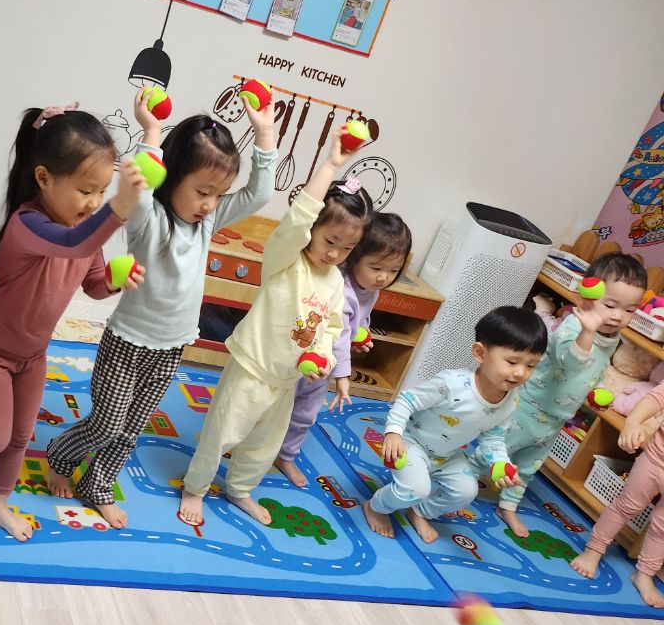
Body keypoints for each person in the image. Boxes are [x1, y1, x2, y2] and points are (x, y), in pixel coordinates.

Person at [45, 90, 276, 526]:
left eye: (219, 194)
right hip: (127, 344)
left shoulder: (208, 221)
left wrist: (264, 134)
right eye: (203, 191)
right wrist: (151, 131)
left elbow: (259, 193)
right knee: (107, 425)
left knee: (130, 429)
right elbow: (142, 183)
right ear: (172, 177)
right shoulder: (147, 217)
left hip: (171, 348)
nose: (210, 204)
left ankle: (97, 484)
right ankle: (61, 454)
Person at [0, 107, 146, 539]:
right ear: (44, 178)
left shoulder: (84, 226)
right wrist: (119, 207)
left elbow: (94, 285)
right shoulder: (28, 225)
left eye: (102, 192)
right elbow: (73, 244)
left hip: (32, 355)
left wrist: (117, 279)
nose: (94, 203)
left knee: (21, 436)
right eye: (85, 190)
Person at [178, 129, 370, 529]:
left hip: (286, 380)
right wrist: (332, 164)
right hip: (252, 367)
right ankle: (195, 487)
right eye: (330, 241)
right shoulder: (285, 258)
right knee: (221, 433)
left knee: (264, 445)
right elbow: (299, 217)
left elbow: (332, 327)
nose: (335, 253)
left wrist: (324, 359)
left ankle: (239, 489)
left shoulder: (336, 281)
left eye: (347, 249)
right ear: (313, 230)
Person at [483, 253, 646, 538]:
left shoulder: (611, 337)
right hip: (530, 407)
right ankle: (458, 481)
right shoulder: (574, 327)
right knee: (497, 453)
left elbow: (593, 368)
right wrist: (587, 331)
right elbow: (572, 362)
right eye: (610, 305)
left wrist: (596, 391)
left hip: (556, 418)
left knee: (528, 466)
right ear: (587, 296)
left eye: (629, 310)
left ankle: (508, 506)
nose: (618, 316)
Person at [364, 306, 547, 543]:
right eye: (512, 361)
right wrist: (393, 433)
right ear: (480, 353)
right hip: (411, 443)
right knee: (416, 489)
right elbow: (408, 400)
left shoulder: (511, 400)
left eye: (531, 365)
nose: (521, 373)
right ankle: (376, 507)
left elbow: (493, 437)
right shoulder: (452, 384)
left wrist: (501, 463)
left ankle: (420, 511)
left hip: (448, 455)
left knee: (467, 491)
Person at [276, 211, 413, 486]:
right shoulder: (342, 287)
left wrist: (361, 334)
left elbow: (358, 320)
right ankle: (254, 443)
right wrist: (343, 377)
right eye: (376, 268)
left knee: (305, 413)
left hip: (323, 365)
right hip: (305, 355)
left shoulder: (370, 289)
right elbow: (338, 336)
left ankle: (285, 455)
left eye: (393, 271)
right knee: (275, 404)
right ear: (354, 256)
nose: (383, 277)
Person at [570, 383, 664, 607]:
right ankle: (593, 550)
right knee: (625, 506)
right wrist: (633, 422)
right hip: (655, 460)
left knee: (662, 528)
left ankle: (644, 574)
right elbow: (656, 397)